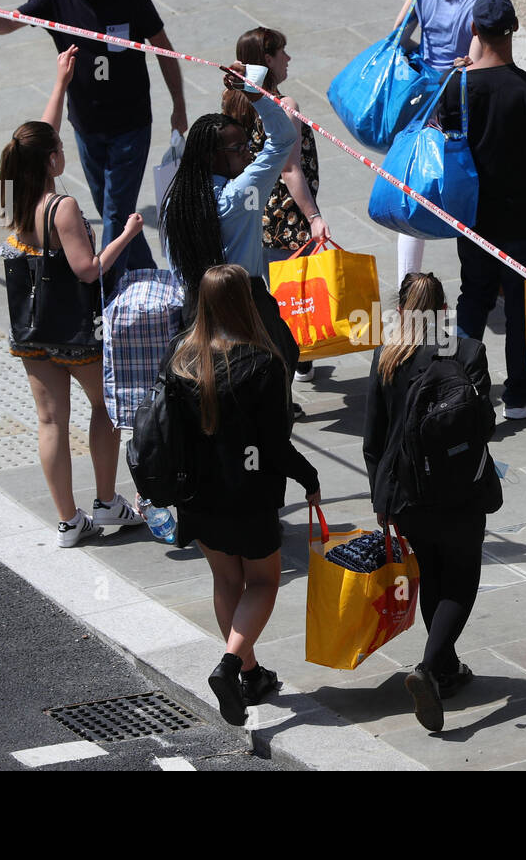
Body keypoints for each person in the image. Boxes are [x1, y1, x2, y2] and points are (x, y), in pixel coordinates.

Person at [0, 0, 188, 285]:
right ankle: (150, 276)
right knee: (110, 207)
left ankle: (109, 289)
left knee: (115, 210)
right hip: (85, 126)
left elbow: (165, 50)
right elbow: (11, 22)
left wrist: (179, 105)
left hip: (130, 124)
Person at [0, 46, 146, 547]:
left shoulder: (14, 197)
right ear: (53, 160)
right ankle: (107, 502)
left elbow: (39, 137)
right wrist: (124, 235)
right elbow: (88, 271)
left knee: (50, 421)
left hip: (31, 330)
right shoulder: (62, 207)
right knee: (104, 408)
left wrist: (60, 84)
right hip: (77, 331)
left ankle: (68, 521)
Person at [167, 263, 321, 726]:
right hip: (248, 494)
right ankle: (231, 665)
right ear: (245, 303)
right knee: (263, 583)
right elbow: (275, 445)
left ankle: (250, 674)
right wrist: (308, 477)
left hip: (198, 494)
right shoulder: (263, 363)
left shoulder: (180, 358)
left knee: (225, 581)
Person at [362, 272, 501, 733]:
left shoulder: (387, 357)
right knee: (460, 582)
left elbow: (373, 438)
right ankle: (429, 668)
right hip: (461, 492)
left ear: (401, 311)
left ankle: (444, 668)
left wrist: (380, 495)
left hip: (405, 496)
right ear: (444, 312)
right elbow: (486, 426)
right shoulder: (467, 354)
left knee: (433, 575)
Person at [437, 0, 526, 420]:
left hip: (473, 218)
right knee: (523, 307)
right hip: (521, 221)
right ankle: (521, 394)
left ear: (474, 30)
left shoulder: (455, 87)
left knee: (473, 299)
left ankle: (457, 390)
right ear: (514, 29)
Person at [160, 63, 303, 410]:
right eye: (239, 149)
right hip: (246, 304)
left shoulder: (174, 202)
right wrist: (255, 95)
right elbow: (283, 138)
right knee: (270, 382)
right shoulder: (238, 195)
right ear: (213, 156)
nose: (247, 154)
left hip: (195, 309)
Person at [389, 0, 499, 286]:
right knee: (471, 183)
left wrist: (428, 59)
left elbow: (398, 36)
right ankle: (487, 277)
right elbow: (477, 60)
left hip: (422, 98)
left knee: (414, 188)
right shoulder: (482, 3)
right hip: (461, 103)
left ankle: (407, 284)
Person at [222, 27, 328, 383]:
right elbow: (290, 167)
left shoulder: (232, 103)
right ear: (267, 60)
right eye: (283, 52)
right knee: (291, 304)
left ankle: (287, 368)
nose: (288, 59)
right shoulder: (285, 106)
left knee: (264, 300)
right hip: (286, 220)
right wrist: (313, 216)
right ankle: (291, 367)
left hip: (253, 218)